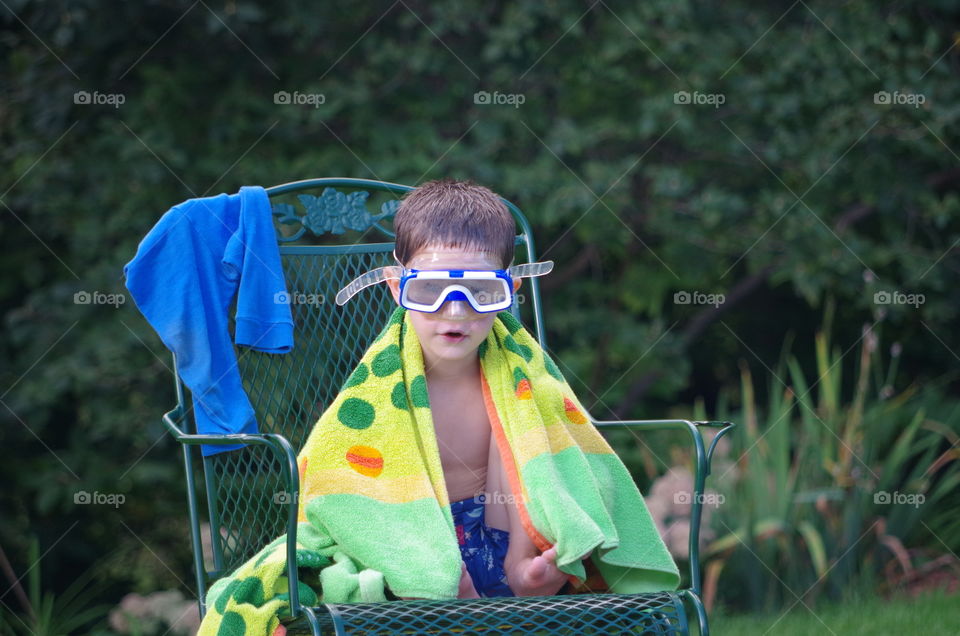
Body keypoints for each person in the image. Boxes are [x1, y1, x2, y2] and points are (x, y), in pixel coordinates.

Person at [338, 178, 586, 598]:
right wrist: (415, 559)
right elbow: (346, 484)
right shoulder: (381, 390)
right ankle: (439, 582)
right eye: (430, 290)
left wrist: (522, 555)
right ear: (398, 287)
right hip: (413, 538)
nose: (455, 310)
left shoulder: (515, 375)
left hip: (504, 536)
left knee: (525, 416)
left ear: (508, 293)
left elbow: (553, 457)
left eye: (480, 292)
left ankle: (523, 569)